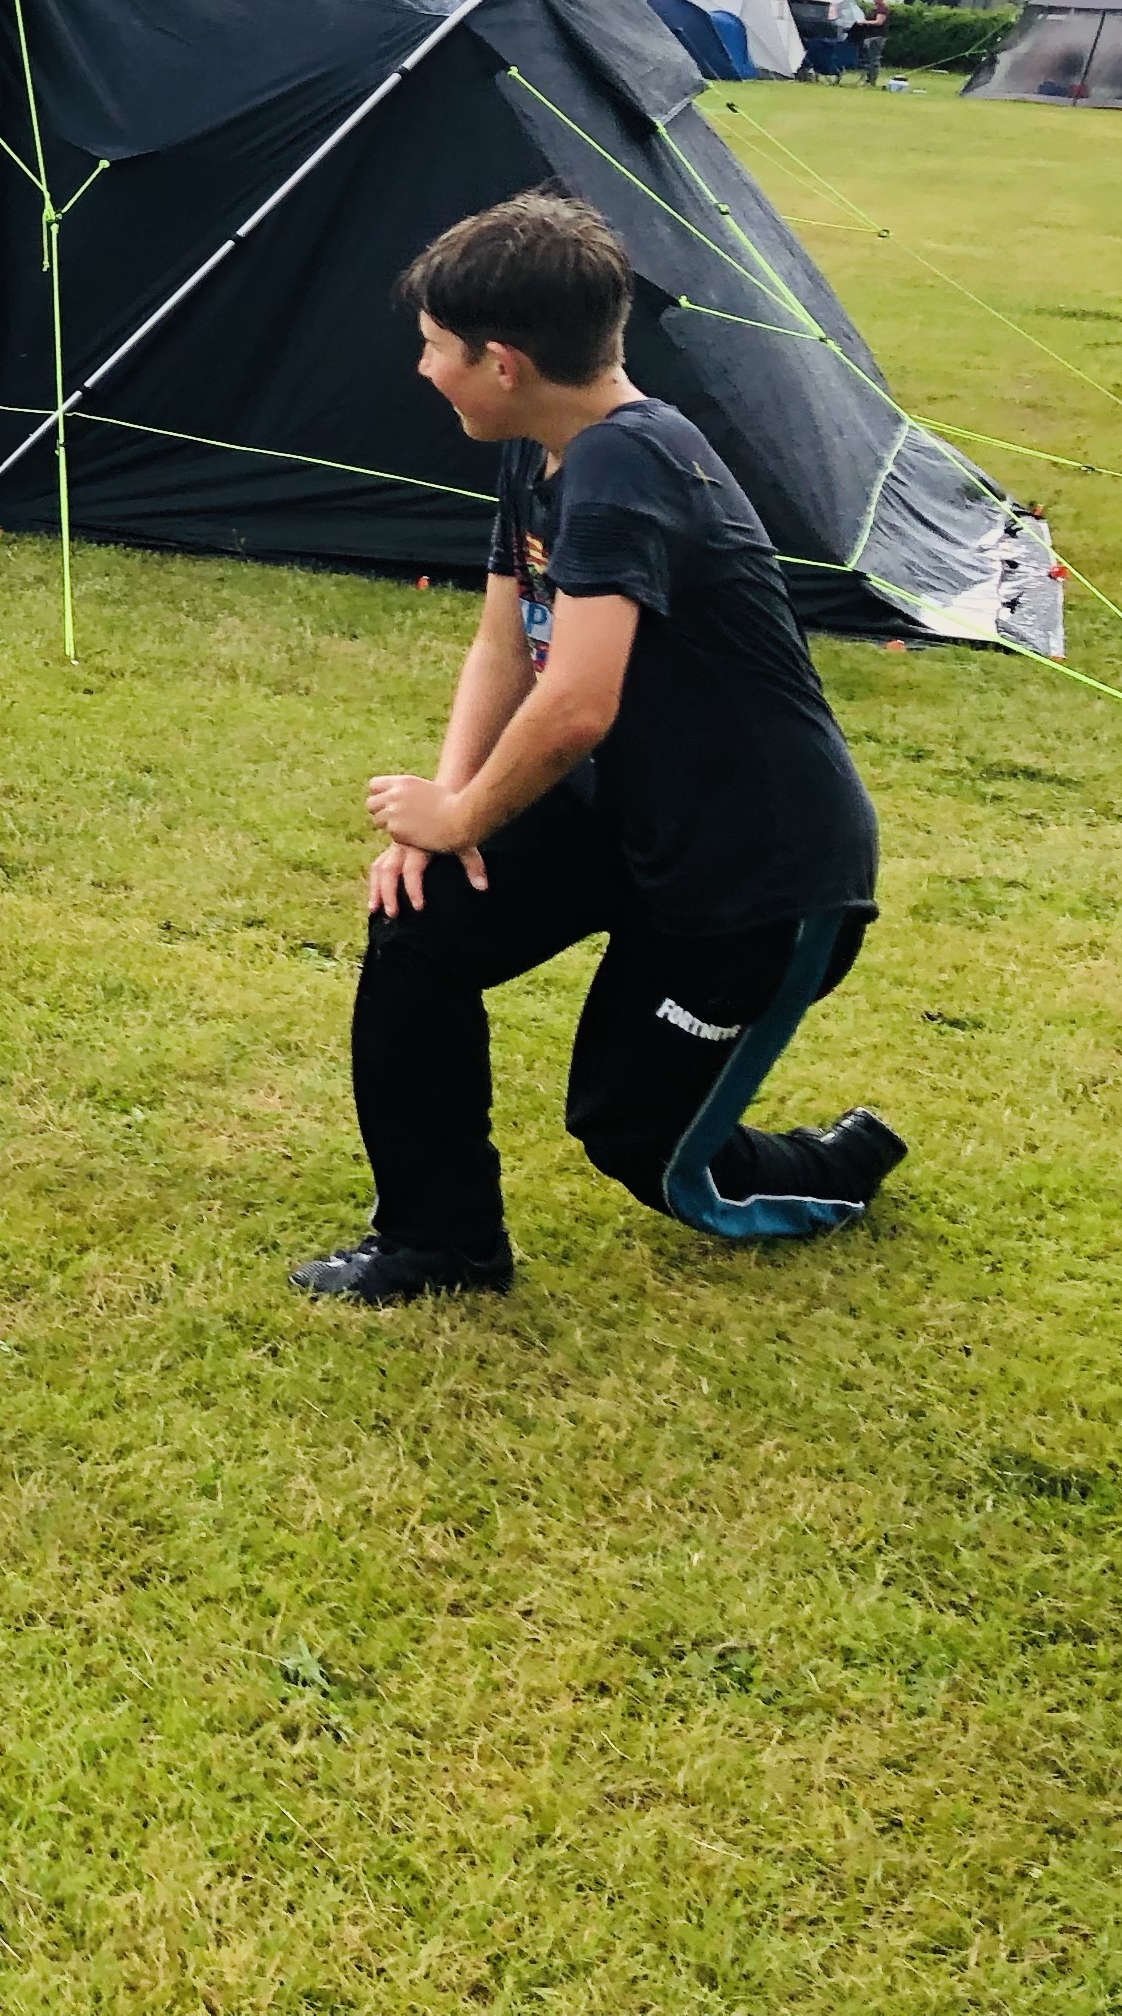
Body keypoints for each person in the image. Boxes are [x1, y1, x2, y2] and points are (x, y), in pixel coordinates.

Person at [301, 192, 904, 1304]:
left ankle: (844, 1163)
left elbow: (579, 699)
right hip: (623, 816)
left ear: (503, 363)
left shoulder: (630, 466)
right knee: (421, 923)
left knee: (636, 1137)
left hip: (755, 878)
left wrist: (464, 815)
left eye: (434, 348)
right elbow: (504, 642)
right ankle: (441, 1245)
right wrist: (445, 812)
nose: (423, 369)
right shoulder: (542, 448)